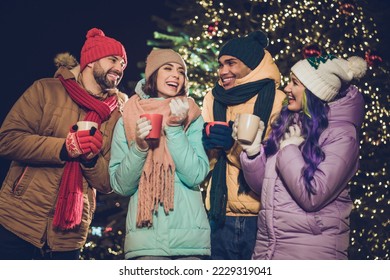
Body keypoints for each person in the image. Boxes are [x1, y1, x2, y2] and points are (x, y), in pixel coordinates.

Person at [0, 27, 128, 260]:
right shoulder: (46, 90)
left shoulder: (116, 116)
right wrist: (65, 148)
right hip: (18, 222)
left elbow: (107, 183)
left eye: (122, 64)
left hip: (70, 235)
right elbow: (7, 140)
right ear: (90, 61)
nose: (120, 68)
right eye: (113, 59)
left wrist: (90, 159)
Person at [237, 54, 367, 259]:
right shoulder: (292, 122)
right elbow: (267, 189)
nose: (287, 88)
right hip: (269, 248)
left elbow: (313, 196)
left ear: (314, 92)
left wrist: (289, 150)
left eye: (295, 83)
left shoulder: (342, 135)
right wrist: (253, 154)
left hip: (309, 251)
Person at [109, 49, 211, 260]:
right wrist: (139, 147)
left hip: (190, 243)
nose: (176, 75)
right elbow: (122, 186)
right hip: (145, 244)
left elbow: (195, 175)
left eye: (181, 71)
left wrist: (174, 128)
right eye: (168, 68)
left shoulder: (191, 115)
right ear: (153, 75)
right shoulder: (127, 117)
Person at [201, 30, 285, 260]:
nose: (223, 71)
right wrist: (206, 146)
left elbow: (275, 163)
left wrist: (232, 145)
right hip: (220, 213)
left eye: (231, 63)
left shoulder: (278, 100)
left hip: (262, 215)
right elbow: (204, 167)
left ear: (251, 64)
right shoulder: (213, 98)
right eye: (220, 64)